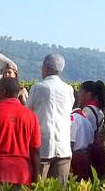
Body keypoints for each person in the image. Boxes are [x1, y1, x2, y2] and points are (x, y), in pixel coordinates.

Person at [0, 77, 41, 186]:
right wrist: (35, 180)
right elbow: (35, 151)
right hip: (22, 175)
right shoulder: (31, 116)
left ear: (3, 92)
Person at [25, 53, 75, 184]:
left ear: (46, 68)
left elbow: (27, 113)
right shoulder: (68, 89)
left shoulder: (38, 88)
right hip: (63, 147)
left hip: (42, 148)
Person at [70, 80, 105, 181]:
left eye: (80, 92)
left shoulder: (87, 110)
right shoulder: (98, 109)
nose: (79, 95)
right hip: (98, 146)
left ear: (88, 94)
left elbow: (83, 130)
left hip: (91, 149)